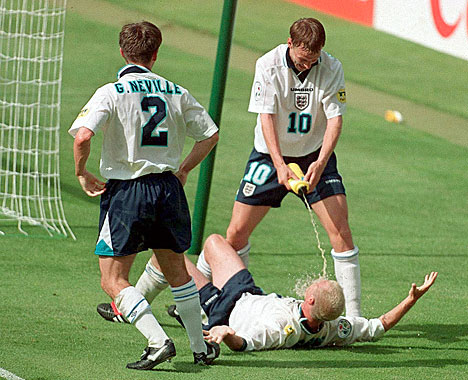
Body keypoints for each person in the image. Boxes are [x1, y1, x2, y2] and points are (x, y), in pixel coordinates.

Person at [69, 21, 220, 370]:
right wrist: (182, 170)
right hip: (168, 189)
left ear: (122, 52)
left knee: (112, 279)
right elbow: (210, 135)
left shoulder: (112, 91)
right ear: (155, 55)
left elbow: (82, 137)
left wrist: (81, 172)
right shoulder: (175, 90)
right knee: (177, 272)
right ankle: (201, 348)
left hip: (129, 191)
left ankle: (158, 341)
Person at [195, 17, 362, 317]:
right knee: (235, 234)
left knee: (341, 231)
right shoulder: (268, 64)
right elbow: (266, 117)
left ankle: (353, 318)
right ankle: (202, 295)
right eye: (302, 59)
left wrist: (321, 163)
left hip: (314, 155)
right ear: (290, 44)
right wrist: (280, 166)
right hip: (270, 156)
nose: (307, 66)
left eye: (313, 60)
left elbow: (335, 119)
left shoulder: (332, 66)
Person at [181, 234, 438, 351]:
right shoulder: (337, 327)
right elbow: (379, 326)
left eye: (318, 283)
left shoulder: (281, 327)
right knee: (215, 242)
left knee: (167, 257)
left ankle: (199, 308)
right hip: (248, 291)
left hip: (225, 309)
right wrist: (411, 300)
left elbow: (244, 344)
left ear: (311, 298)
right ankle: (195, 301)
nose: (317, 279)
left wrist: (226, 334)